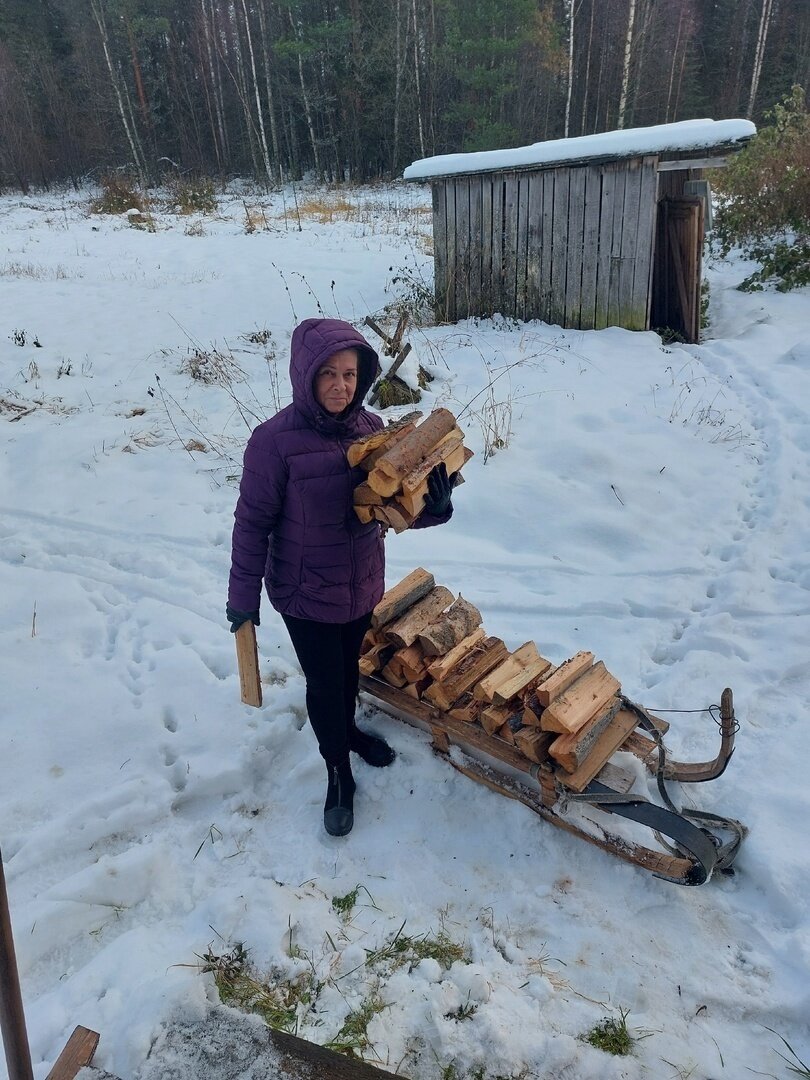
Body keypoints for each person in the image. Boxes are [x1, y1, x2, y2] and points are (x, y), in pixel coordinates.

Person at [226, 318, 456, 837]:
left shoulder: (371, 430)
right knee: (326, 685)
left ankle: (347, 730)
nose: (340, 385)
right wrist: (242, 600)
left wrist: (434, 507)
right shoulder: (273, 443)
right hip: (304, 594)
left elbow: (390, 505)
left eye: (350, 374)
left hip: (360, 583)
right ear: (305, 375)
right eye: (328, 373)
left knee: (349, 671)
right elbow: (252, 524)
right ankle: (337, 771)